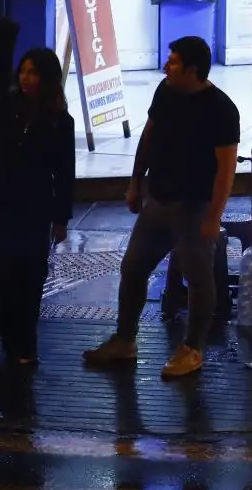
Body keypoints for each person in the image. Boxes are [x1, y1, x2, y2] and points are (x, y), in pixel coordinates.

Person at [85, 36, 238, 380]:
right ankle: (125, 340)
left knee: (198, 278)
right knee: (133, 267)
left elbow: (226, 168)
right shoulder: (165, 91)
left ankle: (192, 348)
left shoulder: (221, 109)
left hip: (194, 205)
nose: (167, 66)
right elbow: (149, 136)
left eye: (174, 62)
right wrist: (136, 182)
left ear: (192, 69)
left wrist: (214, 216)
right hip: (159, 198)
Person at [0, 47, 76, 368]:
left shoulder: (58, 121)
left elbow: (64, 172)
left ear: (47, 78)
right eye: (23, 71)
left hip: (33, 208)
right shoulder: (4, 108)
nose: (26, 78)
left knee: (26, 280)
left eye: (33, 72)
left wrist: (61, 218)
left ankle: (21, 344)